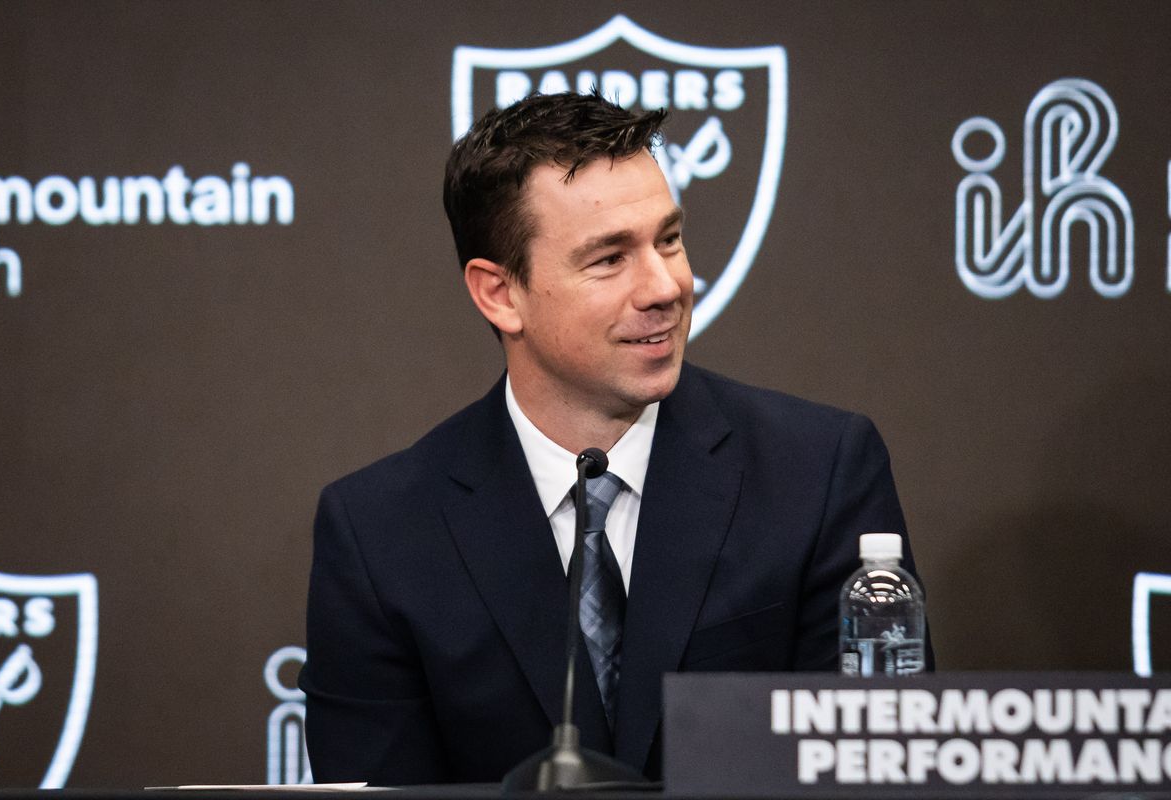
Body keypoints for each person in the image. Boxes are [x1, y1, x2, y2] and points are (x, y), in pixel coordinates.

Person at [300, 91, 928, 785]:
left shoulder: (820, 471)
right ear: (499, 294)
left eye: (669, 239)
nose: (667, 286)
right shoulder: (380, 532)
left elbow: (875, 777)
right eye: (608, 259)